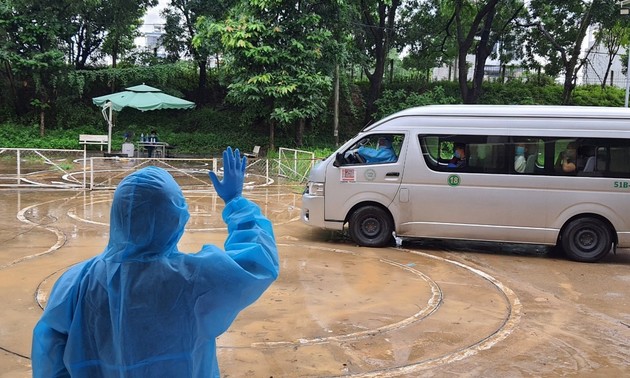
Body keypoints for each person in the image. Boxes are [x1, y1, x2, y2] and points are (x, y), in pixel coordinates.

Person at [32, 147, 280, 378]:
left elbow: (49, 358)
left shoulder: (76, 283)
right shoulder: (194, 280)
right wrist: (236, 203)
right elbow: (258, 263)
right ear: (174, 218)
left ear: (117, 214)